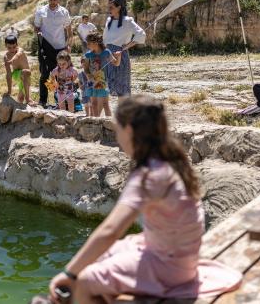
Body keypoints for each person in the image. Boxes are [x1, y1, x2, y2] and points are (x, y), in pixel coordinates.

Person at [48, 96, 242, 303]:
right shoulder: (169, 160)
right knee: (106, 254)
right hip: (183, 258)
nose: (117, 136)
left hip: (170, 267)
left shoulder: (148, 175)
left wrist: (68, 274)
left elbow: (110, 230)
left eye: (118, 129)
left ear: (129, 130)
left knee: (85, 280)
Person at [103, 0, 146, 97]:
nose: (110, 9)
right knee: (108, 88)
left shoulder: (127, 21)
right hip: (108, 56)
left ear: (119, 7)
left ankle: (125, 112)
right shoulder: (109, 20)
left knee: (122, 90)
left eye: (112, 7)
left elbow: (141, 34)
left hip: (120, 55)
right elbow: (105, 39)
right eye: (109, 7)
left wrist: (126, 47)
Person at [35, 0, 72, 107]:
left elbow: (69, 30)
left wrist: (69, 45)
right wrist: (39, 33)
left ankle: (60, 100)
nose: (52, 2)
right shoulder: (41, 11)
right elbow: (36, 27)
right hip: (45, 47)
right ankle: (43, 100)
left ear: (58, 0)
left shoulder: (64, 12)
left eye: (54, 0)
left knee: (60, 74)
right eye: (50, 0)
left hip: (60, 48)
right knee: (45, 74)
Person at [84, 32, 120, 117]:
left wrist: (119, 57)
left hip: (103, 81)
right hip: (91, 82)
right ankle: (96, 121)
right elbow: (86, 68)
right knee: (93, 103)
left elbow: (116, 63)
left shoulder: (106, 52)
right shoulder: (88, 54)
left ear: (95, 43)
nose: (87, 45)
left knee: (105, 104)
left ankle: (110, 123)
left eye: (89, 43)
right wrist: (88, 75)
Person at [3, 34, 35, 106]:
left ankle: (22, 102)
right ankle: (28, 99)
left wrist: (11, 60)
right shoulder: (6, 56)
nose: (12, 49)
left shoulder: (20, 50)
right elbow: (8, 74)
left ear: (17, 45)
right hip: (17, 75)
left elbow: (18, 55)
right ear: (6, 46)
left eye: (14, 47)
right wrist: (9, 91)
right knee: (25, 72)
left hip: (26, 76)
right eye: (9, 47)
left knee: (20, 98)